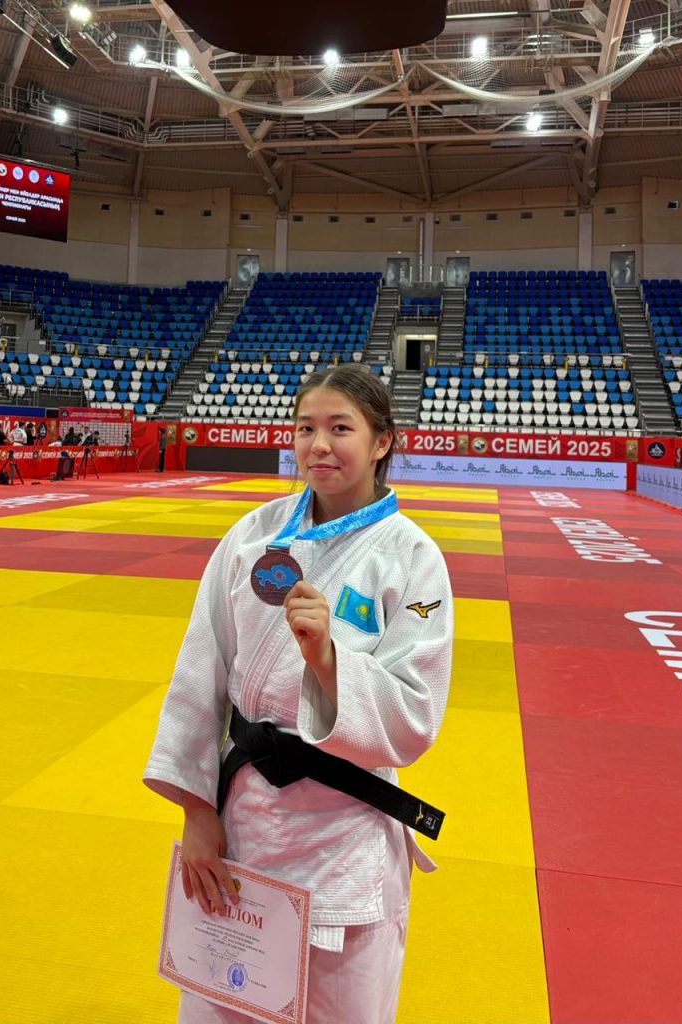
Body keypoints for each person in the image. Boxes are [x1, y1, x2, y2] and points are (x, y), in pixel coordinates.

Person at [144, 364, 454, 1024]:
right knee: (222, 999)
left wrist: (330, 662)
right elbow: (200, 671)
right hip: (244, 820)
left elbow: (416, 710)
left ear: (381, 441)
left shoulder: (414, 559)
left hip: (345, 831)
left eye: (340, 428)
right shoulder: (252, 538)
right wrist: (196, 812)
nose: (318, 445)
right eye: (305, 428)